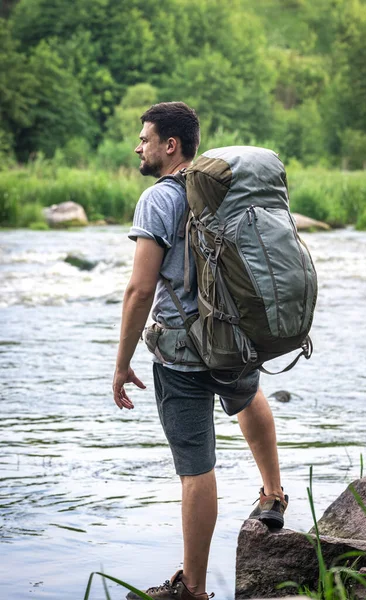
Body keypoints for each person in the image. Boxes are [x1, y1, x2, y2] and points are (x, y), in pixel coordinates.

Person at [112, 102, 288, 600]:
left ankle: (193, 589)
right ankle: (273, 495)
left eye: (144, 138)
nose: (138, 146)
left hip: (182, 355)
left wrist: (122, 363)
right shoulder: (224, 189)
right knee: (248, 397)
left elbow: (140, 290)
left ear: (171, 145)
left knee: (196, 472)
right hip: (234, 341)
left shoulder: (158, 200)